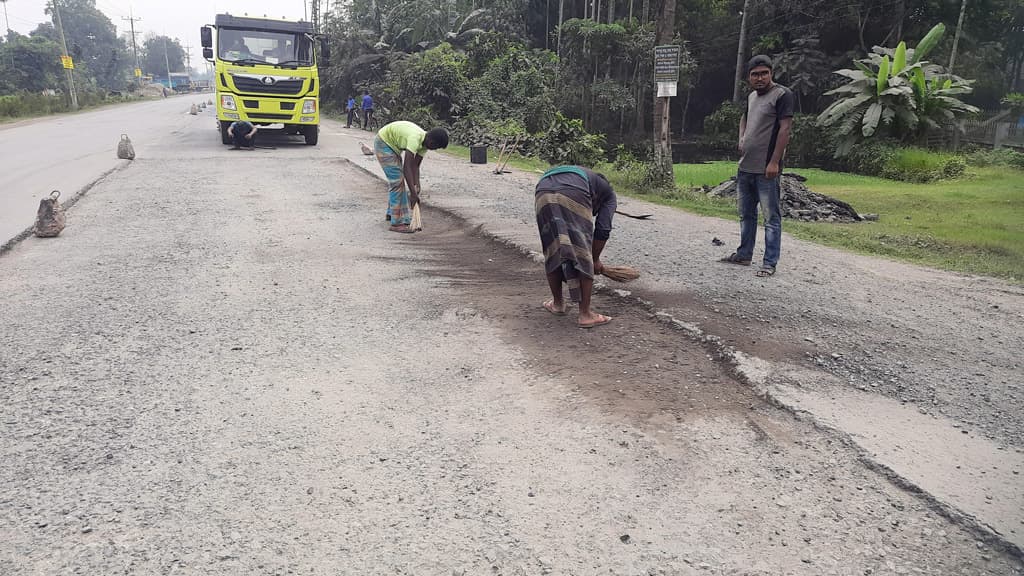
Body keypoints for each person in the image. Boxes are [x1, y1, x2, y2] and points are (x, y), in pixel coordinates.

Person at [720, 55, 794, 278]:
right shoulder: (752, 96)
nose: (759, 78)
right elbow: (744, 118)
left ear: (771, 73)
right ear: (749, 78)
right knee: (746, 214)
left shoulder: (782, 95)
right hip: (746, 168)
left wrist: (774, 162)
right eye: (755, 74)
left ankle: (769, 263)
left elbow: (785, 129)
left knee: (771, 218)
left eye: (764, 73)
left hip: (766, 169)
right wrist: (741, 138)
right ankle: (744, 254)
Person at [535, 166, 616, 329]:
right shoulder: (609, 196)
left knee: (553, 248)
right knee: (582, 252)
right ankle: (585, 315)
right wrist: (594, 259)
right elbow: (603, 229)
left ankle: (558, 304)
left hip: (542, 188)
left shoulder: (590, 178)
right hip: (574, 189)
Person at [373, 121, 449, 233]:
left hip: (392, 147)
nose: (434, 149)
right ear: (432, 142)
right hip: (383, 143)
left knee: (398, 180)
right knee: (397, 182)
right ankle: (397, 223)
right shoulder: (415, 138)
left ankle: (392, 213)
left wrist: (417, 185)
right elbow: (407, 167)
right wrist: (412, 194)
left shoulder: (424, 145)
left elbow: (415, 166)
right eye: (436, 147)